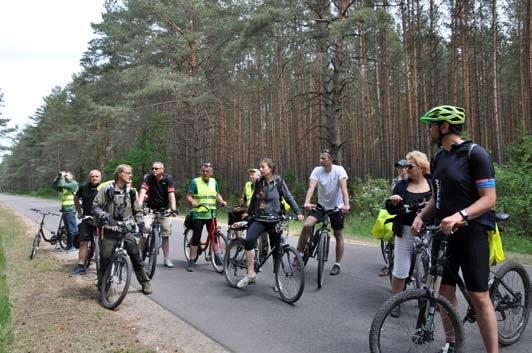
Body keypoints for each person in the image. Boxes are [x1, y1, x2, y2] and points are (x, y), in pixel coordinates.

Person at [411, 105, 498, 353]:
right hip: (444, 233)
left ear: (444, 127)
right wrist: (421, 216)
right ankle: (452, 343)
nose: (428, 130)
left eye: (431, 125)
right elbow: (436, 198)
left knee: (479, 296)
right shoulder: (439, 157)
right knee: (444, 291)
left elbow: (489, 199)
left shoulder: (475, 154)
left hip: (471, 232)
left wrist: (460, 215)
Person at [237, 158, 304, 288]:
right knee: (249, 241)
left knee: (277, 251)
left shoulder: (279, 182)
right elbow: (253, 201)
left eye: (263, 167)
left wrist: (298, 212)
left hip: (275, 220)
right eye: (260, 167)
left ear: (271, 169)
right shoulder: (259, 183)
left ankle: (276, 280)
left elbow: (288, 197)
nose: (260, 169)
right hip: (260, 219)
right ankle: (251, 274)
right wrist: (249, 213)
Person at [92, 164, 152, 294]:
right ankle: (102, 284)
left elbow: (137, 211)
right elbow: (95, 207)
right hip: (109, 228)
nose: (131, 175)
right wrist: (107, 217)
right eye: (128, 173)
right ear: (119, 173)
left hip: (127, 229)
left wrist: (141, 225)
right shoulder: (105, 189)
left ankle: (145, 282)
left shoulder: (131, 192)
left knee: (136, 256)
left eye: (131, 173)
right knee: (105, 258)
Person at [385, 151, 431, 317]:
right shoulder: (402, 185)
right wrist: (394, 200)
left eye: (410, 166)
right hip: (404, 229)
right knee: (401, 268)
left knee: (431, 267)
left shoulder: (432, 183)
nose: (406, 169)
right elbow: (391, 209)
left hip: (428, 230)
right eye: (405, 166)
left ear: (421, 167)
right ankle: (395, 301)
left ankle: (432, 301)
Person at [296, 149, 350, 276]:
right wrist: (307, 202)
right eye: (320, 158)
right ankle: (299, 254)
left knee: (338, 234)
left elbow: (344, 189)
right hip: (321, 206)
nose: (320, 160)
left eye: (323, 158)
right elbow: (312, 187)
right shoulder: (317, 170)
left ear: (331, 159)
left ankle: (337, 264)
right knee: (307, 225)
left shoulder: (339, 170)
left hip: (336, 208)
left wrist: (347, 205)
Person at [185, 162, 227, 272]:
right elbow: (189, 196)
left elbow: (217, 194)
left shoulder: (214, 182)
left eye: (207, 171)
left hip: (211, 214)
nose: (205, 173)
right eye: (203, 171)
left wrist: (222, 201)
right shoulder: (195, 182)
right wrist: (193, 201)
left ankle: (216, 255)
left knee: (214, 235)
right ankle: (192, 260)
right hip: (199, 214)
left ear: (211, 173)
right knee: (196, 237)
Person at [138, 161, 177, 268]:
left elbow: (171, 195)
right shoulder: (149, 178)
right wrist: (139, 206)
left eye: (156, 168)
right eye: (153, 168)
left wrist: (173, 208)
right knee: (145, 230)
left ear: (162, 170)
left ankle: (166, 258)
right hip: (150, 209)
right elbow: (142, 192)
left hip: (164, 210)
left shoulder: (168, 179)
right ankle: (137, 257)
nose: (154, 170)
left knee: (166, 233)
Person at [69, 169, 102, 277]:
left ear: (100, 178)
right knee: (83, 242)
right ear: (89, 177)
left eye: (96, 176)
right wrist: (79, 211)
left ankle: (104, 265)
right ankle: (80, 266)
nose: (94, 178)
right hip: (87, 218)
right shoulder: (84, 187)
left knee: (104, 242)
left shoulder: (104, 188)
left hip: (101, 219)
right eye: (92, 176)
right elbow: (76, 198)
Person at [52, 171, 79, 252]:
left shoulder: (73, 184)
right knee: (67, 230)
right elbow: (54, 186)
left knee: (72, 229)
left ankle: (75, 246)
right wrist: (58, 177)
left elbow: (61, 184)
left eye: (67, 175)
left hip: (71, 209)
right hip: (65, 210)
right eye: (65, 176)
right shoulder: (65, 185)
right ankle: (69, 245)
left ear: (72, 176)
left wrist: (62, 177)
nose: (65, 177)